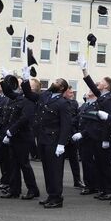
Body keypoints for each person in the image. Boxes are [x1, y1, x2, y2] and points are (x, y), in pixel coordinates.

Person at [20, 68, 71, 209]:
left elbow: (66, 125)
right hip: (43, 139)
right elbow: (29, 94)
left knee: (55, 170)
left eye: (56, 82)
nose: (53, 82)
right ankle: (51, 195)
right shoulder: (46, 96)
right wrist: (25, 81)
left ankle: (57, 198)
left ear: (61, 87)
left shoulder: (63, 103)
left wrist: (62, 143)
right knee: (47, 169)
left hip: (54, 141)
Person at [77, 57, 111, 200]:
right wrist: (84, 70)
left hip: (103, 137)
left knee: (106, 165)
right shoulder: (103, 96)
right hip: (97, 136)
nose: (98, 83)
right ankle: (104, 189)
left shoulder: (109, 99)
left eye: (102, 82)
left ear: (106, 87)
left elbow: (109, 120)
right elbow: (92, 85)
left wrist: (106, 139)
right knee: (100, 164)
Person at [0, 73, 40, 200]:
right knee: (14, 164)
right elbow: (8, 93)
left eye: (28, 84)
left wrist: (11, 131)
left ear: (33, 89)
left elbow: (25, 118)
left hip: (23, 136)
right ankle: (14, 189)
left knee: (24, 164)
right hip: (15, 136)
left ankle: (33, 189)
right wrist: (4, 80)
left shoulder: (31, 99)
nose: (22, 86)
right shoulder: (21, 96)